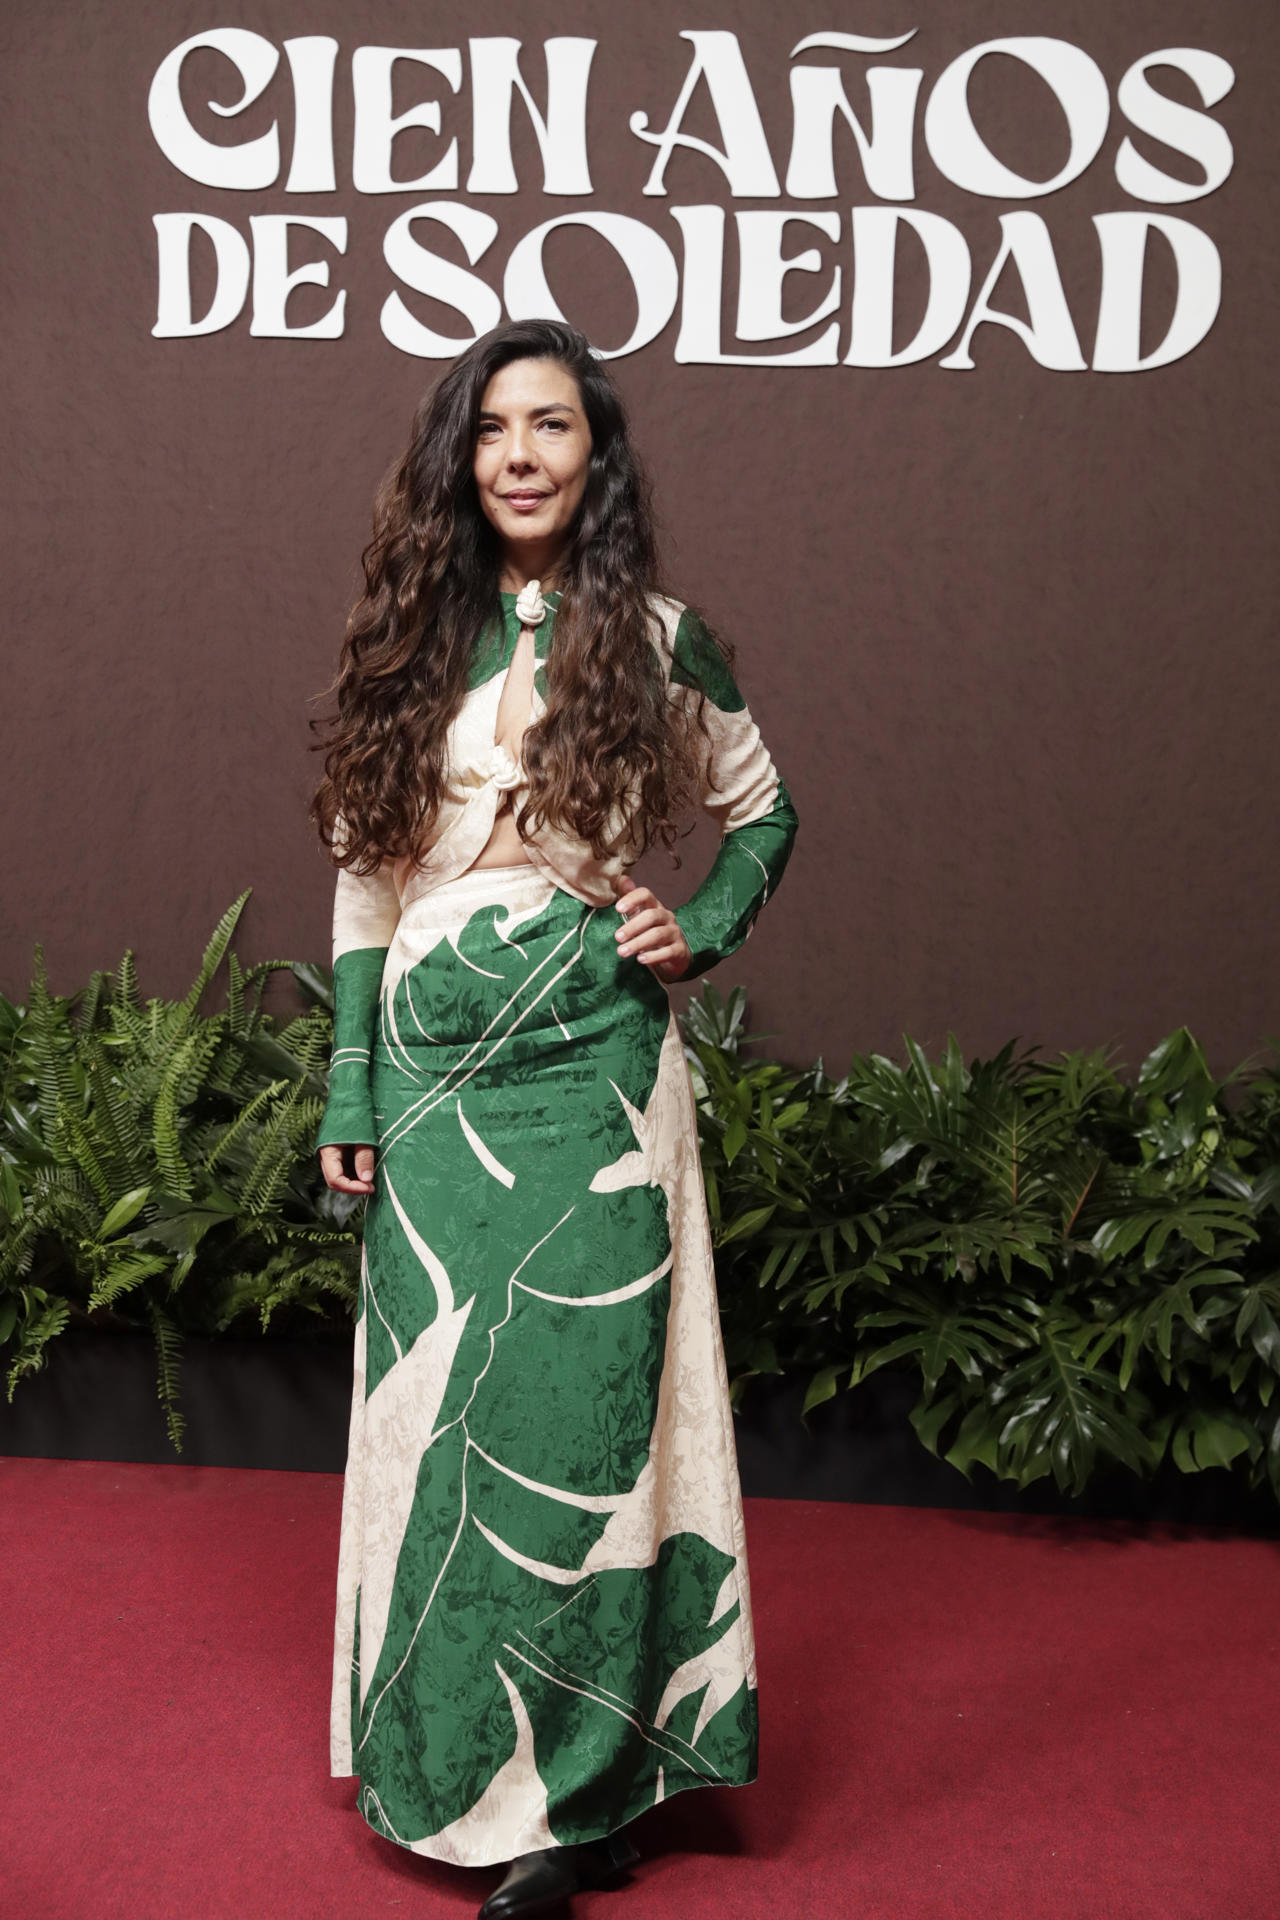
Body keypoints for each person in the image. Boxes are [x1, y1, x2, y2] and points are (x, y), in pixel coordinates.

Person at [309, 316, 798, 1919]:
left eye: (554, 428)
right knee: (439, 1416)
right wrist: (352, 1081)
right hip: (440, 1085)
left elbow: (762, 809)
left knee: (591, 1429)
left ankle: (580, 1802)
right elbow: (369, 878)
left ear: (598, 459)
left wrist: (696, 926)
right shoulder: (406, 637)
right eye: (494, 430)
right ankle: (442, 1759)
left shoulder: (660, 637)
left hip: (601, 1078)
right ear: (461, 457)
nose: (520, 454)